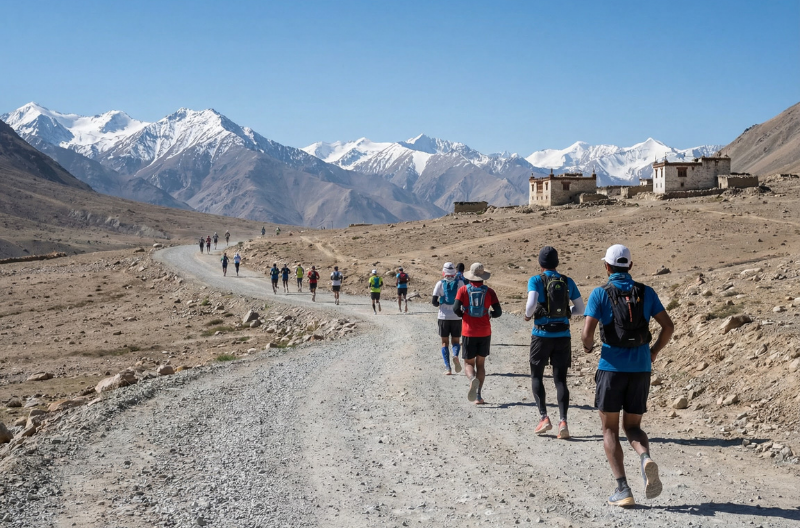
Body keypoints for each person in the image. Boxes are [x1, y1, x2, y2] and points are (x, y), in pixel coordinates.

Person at [581, 244, 674, 508]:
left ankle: (623, 489)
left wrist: (587, 348)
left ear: (607, 267)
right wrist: (653, 352)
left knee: (609, 428)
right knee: (633, 427)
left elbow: (587, 333)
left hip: (611, 369)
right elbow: (668, 326)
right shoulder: (646, 292)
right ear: (630, 266)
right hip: (641, 368)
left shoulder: (600, 294)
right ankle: (645, 458)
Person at [525, 246, 585, 439]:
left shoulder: (536, 280)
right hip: (563, 336)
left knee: (537, 376)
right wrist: (566, 314)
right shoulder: (567, 281)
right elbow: (580, 309)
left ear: (540, 263)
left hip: (541, 335)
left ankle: (544, 417)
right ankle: (563, 421)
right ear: (557, 263)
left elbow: (531, 303)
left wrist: (528, 316)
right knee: (560, 380)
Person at [452, 263, 501, 404]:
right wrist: (489, 314)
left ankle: (472, 379)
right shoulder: (490, 292)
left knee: (468, 363)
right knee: (481, 364)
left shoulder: (463, 290)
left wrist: (464, 315)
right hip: (485, 332)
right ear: (483, 277)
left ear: (470, 276)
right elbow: (498, 312)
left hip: (468, 332)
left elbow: (456, 308)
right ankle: (478, 396)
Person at [431, 262, 465, 375]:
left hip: (443, 317)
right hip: (456, 317)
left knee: (444, 343)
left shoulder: (440, 284)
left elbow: (434, 302)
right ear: (454, 272)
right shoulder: (460, 283)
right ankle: (455, 355)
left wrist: (441, 301)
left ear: (443, 272)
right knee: (455, 341)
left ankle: (448, 368)